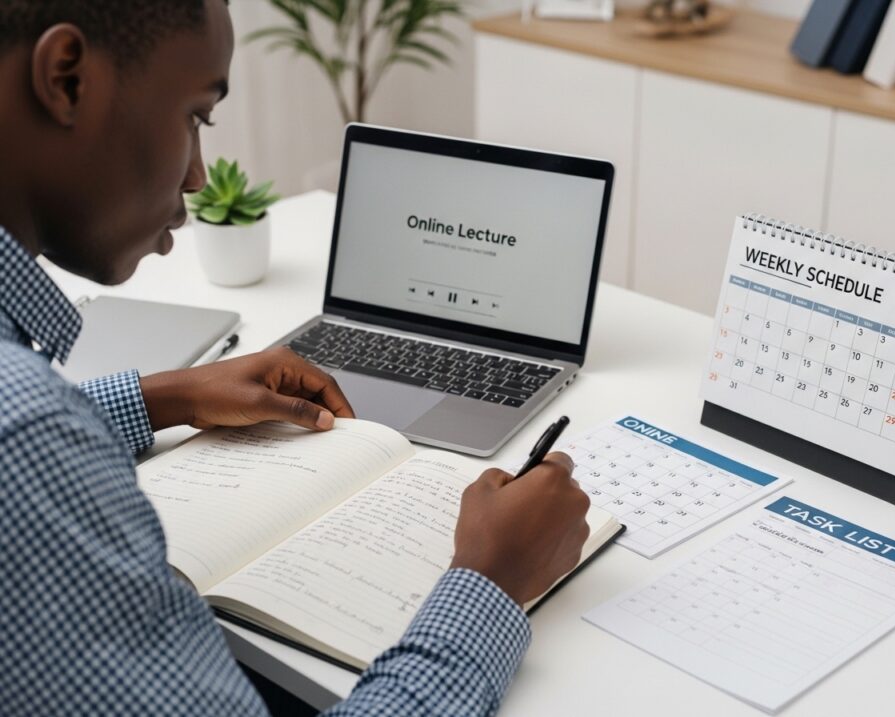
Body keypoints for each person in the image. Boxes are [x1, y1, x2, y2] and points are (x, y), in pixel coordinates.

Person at [0, 1, 591, 714]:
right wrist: (490, 582)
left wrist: (170, 396)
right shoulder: (29, 440)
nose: (196, 175)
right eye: (195, 116)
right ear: (65, 79)